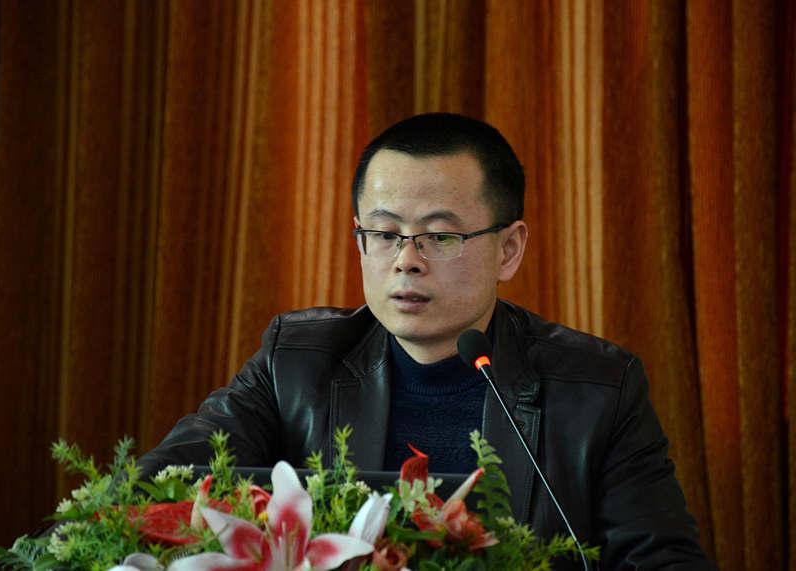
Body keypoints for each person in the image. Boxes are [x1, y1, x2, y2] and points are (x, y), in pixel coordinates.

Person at [139, 113, 714, 569]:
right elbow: (154, 489)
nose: (406, 261)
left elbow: (664, 561)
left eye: (439, 236)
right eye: (384, 233)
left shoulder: (597, 390)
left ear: (509, 250)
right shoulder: (295, 362)